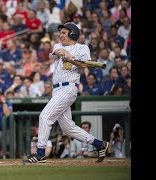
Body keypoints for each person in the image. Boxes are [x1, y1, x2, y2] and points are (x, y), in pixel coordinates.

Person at [25, 22, 109, 163]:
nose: (61, 35)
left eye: (64, 33)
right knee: (68, 128)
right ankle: (100, 144)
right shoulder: (58, 46)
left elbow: (84, 65)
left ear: (73, 34)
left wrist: (72, 60)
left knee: (45, 116)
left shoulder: (83, 48)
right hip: (56, 89)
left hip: (69, 88)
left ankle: (40, 153)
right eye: (61, 33)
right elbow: (57, 53)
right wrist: (66, 53)